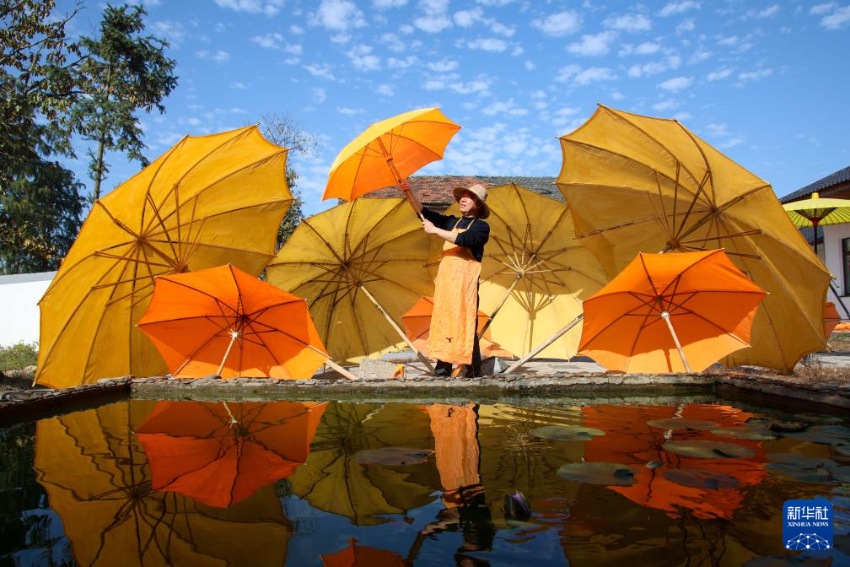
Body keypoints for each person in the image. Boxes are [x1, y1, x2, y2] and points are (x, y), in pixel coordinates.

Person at [413, 183, 490, 378]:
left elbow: (464, 240)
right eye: (462, 196)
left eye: (469, 197)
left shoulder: (481, 227)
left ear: (478, 204)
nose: (463, 199)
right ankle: (443, 368)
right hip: (447, 284)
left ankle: (472, 370)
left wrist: (435, 231)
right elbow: (425, 214)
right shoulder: (451, 222)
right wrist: (409, 194)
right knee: (444, 321)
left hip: (465, 285)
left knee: (465, 322)